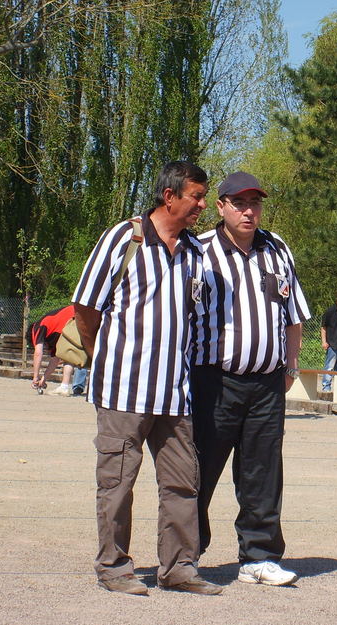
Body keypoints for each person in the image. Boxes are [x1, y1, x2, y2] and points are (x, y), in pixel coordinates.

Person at [73, 161, 220, 596]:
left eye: (203, 196)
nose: (202, 204)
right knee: (117, 483)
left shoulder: (196, 252)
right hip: (124, 390)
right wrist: (103, 356)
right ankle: (114, 567)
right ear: (169, 196)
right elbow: (86, 305)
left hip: (176, 395)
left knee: (182, 483)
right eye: (196, 196)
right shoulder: (127, 237)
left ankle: (179, 568)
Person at [190, 171, 311, 587]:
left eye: (255, 203)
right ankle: (187, 554)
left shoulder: (277, 249)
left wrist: (290, 366)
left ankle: (259, 556)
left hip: (266, 385)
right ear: (220, 206)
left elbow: (293, 315)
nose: (248, 211)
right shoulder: (198, 250)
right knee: (198, 472)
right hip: (213, 382)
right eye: (239, 203)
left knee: (263, 473)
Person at [29, 305, 77, 396]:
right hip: (78, 318)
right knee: (68, 355)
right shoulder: (53, 336)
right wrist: (43, 379)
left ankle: (64, 387)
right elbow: (55, 360)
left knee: (69, 355)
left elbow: (38, 353)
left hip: (76, 314)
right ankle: (64, 387)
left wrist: (35, 377)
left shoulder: (37, 327)